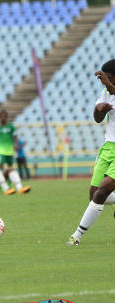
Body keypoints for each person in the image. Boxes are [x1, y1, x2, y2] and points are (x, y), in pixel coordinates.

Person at [67, 59, 115, 246]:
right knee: (94, 193)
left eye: (110, 78)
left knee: (102, 191)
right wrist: (99, 110)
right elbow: (97, 119)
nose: (105, 81)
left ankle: (76, 236)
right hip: (108, 146)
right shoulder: (106, 91)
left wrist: (109, 85)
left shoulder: (110, 88)